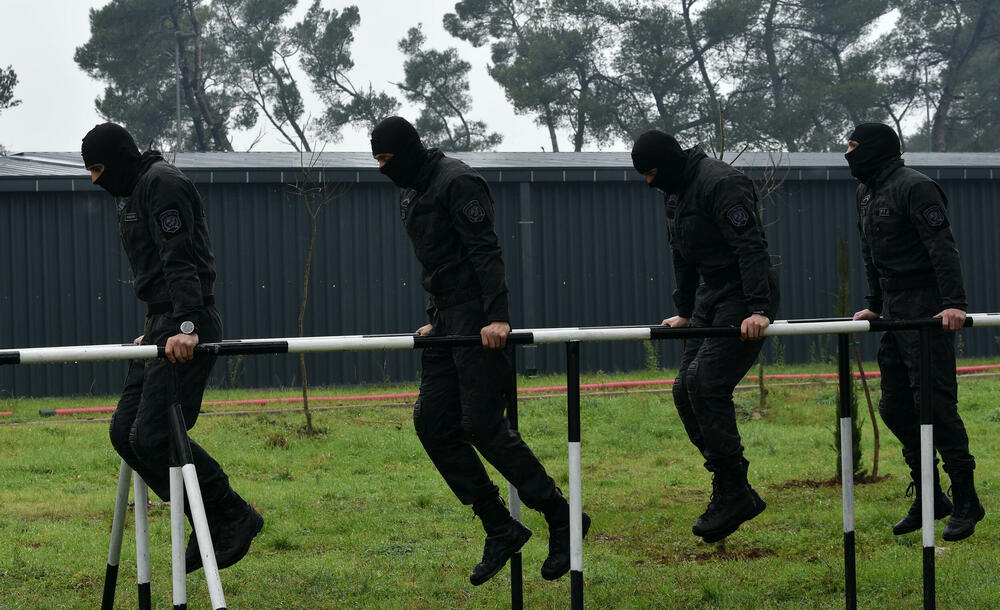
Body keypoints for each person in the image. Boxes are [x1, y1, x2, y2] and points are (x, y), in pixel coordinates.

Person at [370, 116, 590, 585]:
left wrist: (498, 318)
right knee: (433, 424)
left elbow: (485, 252)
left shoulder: (458, 181)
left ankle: (561, 516)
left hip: (479, 317)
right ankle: (499, 525)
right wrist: (437, 314)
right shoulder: (409, 190)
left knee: (484, 426)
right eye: (378, 162)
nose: (384, 169)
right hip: (446, 317)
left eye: (387, 159)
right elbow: (437, 260)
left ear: (406, 150)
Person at [81, 122, 262, 572]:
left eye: (98, 168)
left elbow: (178, 256)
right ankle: (212, 519)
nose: (95, 181)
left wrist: (184, 324)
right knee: (125, 432)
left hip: (188, 320)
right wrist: (158, 326)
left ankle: (231, 513)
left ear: (120, 156)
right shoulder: (139, 189)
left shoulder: (162, 184)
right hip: (162, 321)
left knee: (155, 434)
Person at [631, 130, 779, 543]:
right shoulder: (675, 191)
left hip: (743, 295)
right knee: (684, 390)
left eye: (652, 173)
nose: (649, 182)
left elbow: (751, 248)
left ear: (669, 162)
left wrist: (758, 310)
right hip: (708, 298)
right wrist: (683, 312)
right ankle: (735, 488)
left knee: (706, 383)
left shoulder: (722, 183)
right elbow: (681, 254)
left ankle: (732, 490)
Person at [847, 122, 984, 541]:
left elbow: (943, 247)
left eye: (852, 146)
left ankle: (965, 497)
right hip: (892, 311)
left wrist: (954, 304)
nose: (847, 154)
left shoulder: (916, 187)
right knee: (895, 408)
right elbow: (870, 254)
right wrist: (873, 303)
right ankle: (930, 495)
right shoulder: (865, 193)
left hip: (928, 309)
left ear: (873, 148)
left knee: (936, 406)